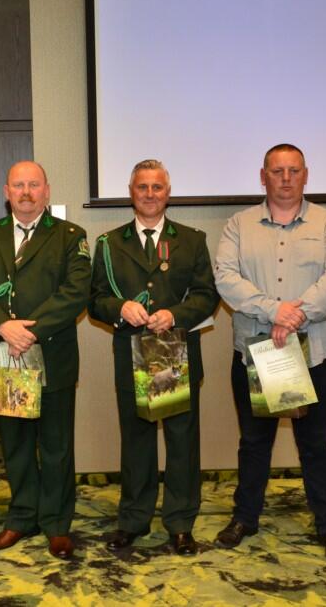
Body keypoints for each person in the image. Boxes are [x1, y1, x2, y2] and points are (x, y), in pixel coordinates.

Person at [213, 144, 326, 562]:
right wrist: (275, 310)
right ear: (263, 176)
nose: (286, 178)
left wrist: (296, 315)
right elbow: (226, 277)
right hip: (258, 352)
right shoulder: (238, 225)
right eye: (277, 171)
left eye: (294, 171)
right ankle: (245, 518)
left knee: (316, 445)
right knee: (254, 443)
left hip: (314, 353)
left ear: (305, 175)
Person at [89, 159, 219, 555]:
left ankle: (180, 523)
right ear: (131, 193)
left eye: (157, 187)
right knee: (136, 442)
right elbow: (95, 299)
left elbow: (207, 295)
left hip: (176, 352)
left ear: (168, 193)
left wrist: (175, 315)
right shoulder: (109, 243)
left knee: (182, 444)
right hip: (132, 355)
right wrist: (119, 308)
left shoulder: (192, 240)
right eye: (142, 187)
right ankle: (133, 520)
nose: (150, 194)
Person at [0, 161, 91, 560]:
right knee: (16, 443)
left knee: (56, 446)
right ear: (6, 192)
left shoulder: (70, 235)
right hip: (9, 358)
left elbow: (75, 292)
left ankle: (56, 524)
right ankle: (21, 518)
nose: (26, 192)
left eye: (34, 185)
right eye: (18, 185)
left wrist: (29, 332)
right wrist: (3, 326)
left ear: (46, 191)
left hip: (51, 355)